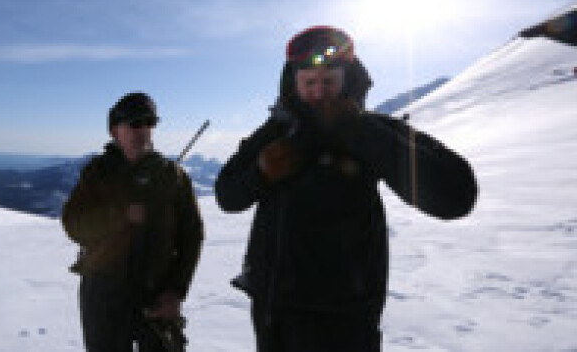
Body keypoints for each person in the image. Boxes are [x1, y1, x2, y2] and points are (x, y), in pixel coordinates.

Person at [215, 26, 478, 351]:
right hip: (274, 314)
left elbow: (456, 196)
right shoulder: (274, 134)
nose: (319, 93)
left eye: (329, 82)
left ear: (347, 80)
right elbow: (226, 195)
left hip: (346, 319)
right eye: (309, 82)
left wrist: (361, 132)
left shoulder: (373, 128)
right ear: (293, 83)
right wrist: (260, 173)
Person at [62, 92, 204, 352]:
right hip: (104, 299)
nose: (144, 130)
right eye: (135, 123)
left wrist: (176, 291)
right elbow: (73, 224)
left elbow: (192, 236)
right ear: (115, 131)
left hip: (156, 299)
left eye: (150, 123)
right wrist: (119, 215)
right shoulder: (97, 173)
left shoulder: (172, 177)